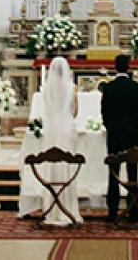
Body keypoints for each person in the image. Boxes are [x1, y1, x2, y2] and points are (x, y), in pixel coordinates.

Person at [101, 53, 138, 224]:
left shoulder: (108, 88)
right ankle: (133, 211)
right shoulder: (135, 87)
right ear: (128, 68)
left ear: (115, 67)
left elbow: (104, 113)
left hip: (114, 136)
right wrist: (136, 128)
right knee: (132, 174)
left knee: (113, 174)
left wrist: (111, 128)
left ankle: (112, 212)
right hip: (132, 135)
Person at [37, 56, 82, 226]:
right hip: (65, 128)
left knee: (52, 166)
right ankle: (67, 207)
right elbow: (75, 111)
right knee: (66, 166)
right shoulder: (71, 87)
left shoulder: (47, 88)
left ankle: (52, 209)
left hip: (52, 129)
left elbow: (47, 109)